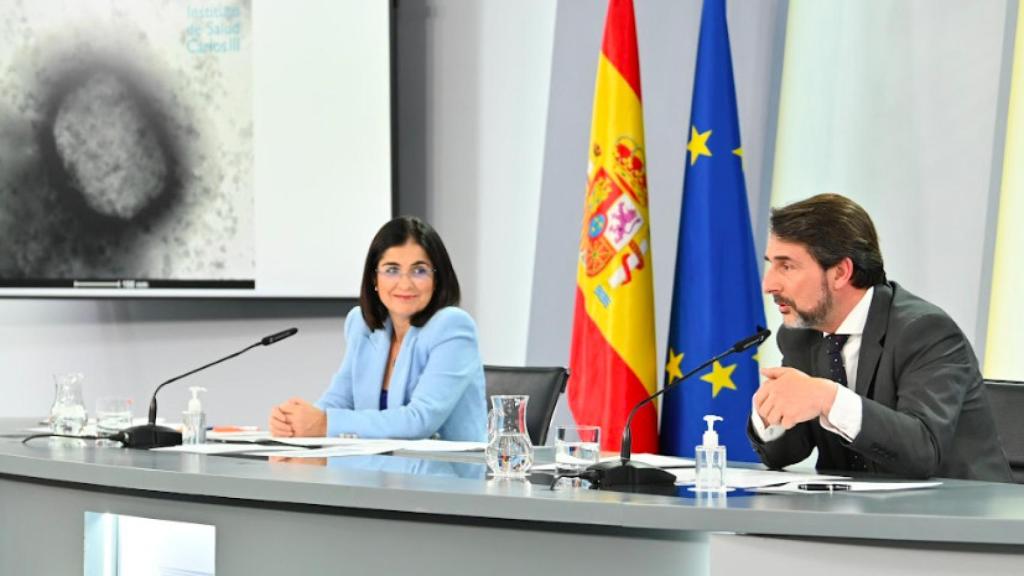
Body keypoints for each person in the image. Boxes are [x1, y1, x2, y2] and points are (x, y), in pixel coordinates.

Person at [749, 194, 1011, 481]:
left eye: (786, 266)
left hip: (960, 505)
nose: (768, 285)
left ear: (840, 273)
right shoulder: (801, 336)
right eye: (771, 265)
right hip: (857, 507)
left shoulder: (925, 330)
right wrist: (769, 416)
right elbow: (786, 453)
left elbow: (923, 450)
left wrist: (828, 398)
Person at [269, 216, 487, 442]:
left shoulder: (452, 327)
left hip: (445, 465)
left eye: (419, 271)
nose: (405, 283)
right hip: (377, 463)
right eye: (392, 270)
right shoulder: (362, 325)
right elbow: (338, 401)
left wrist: (324, 423)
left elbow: (419, 420)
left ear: (437, 278)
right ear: (374, 278)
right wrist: (294, 420)